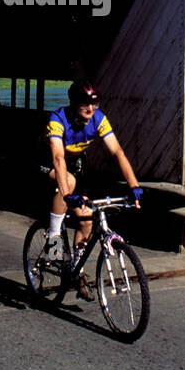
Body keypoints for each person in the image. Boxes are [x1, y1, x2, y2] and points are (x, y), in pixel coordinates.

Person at [41, 80, 142, 300]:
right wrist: (68, 195)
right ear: (73, 102)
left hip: (75, 165)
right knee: (66, 181)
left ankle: (77, 269)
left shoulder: (98, 119)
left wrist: (134, 184)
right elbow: (58, 158)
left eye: (94, 104)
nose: (90, 109)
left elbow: (117, 152)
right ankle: (54, 239)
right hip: (48, 163)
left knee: (86, 218)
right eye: (85, 104)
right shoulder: (58, 120)